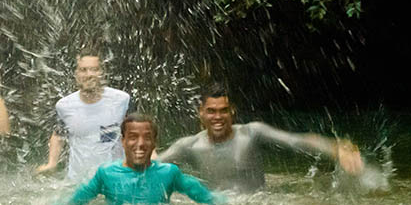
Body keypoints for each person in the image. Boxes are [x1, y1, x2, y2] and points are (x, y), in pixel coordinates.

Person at [156, 84, 365, 193]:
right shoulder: (189, 146)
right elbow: (154, 165)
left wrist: (336, 148)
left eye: (223, 111)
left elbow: (296, 141)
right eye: (211, 111)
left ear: (233, 111)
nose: (217, 117)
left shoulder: (251, 133)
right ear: (200, 113)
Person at [59, 113, 222, 205]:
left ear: (155, 142)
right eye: (133, 137)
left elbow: (209, 199)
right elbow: (72, 203)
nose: (141, 144)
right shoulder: (106, 174)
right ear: (122, 141)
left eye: (147, 138)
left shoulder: (169, 173)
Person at [36, 51, 130, 180]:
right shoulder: (64, 105)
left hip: (115, 179)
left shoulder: (121, 100)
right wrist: (51, 163)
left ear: (102, 72)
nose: (89, 74)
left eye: (94, 69)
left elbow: (137, 131)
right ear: (75, 74)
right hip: (78, 183)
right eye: (83, 70)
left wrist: (152, 158)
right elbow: (58, 135)